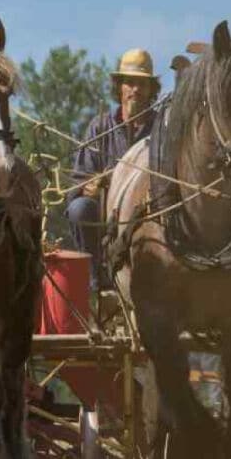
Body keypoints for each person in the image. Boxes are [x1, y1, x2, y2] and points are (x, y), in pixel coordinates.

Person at [66, 49, 161, 290]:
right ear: (119, 87)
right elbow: (77, 185)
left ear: (151, 89)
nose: (135, 90)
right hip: (104, 215)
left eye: (142, 84)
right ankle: (95, 278)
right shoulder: (100, 127)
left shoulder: (161, 128)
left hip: (149, 215)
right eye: (129, 82)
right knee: (79, 209)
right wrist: (92, 186)